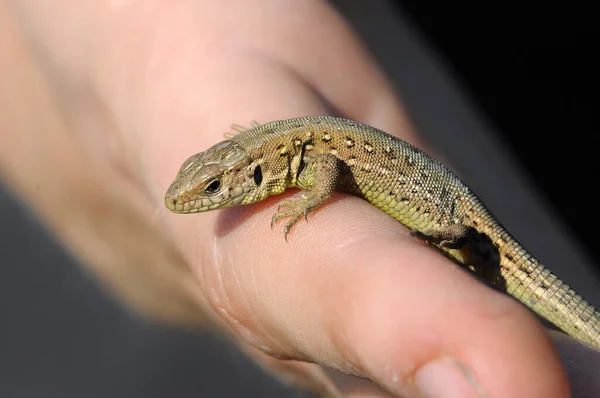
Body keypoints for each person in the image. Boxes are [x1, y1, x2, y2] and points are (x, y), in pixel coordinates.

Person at [1, 1, 597, 397]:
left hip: (463, 217)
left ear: (254, 169)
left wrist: (313, 201)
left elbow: (331, 165)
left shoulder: (311, 154)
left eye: (214, 188)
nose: (204, 199)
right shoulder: (281, 149)